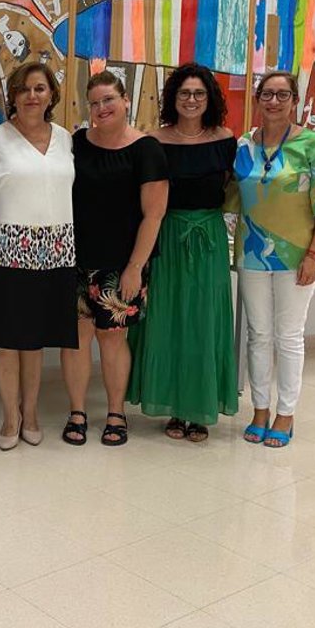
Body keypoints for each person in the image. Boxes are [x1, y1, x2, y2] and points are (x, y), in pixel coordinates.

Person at [0, 62, 76, 450]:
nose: (31, 95)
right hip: (3, 256)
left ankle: (32, 413)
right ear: (12, 96)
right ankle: (10, 417)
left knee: (34, 341)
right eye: (23, 89)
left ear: (51, 95)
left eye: (39, 88)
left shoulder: (65, 140)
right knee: (7, 341)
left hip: (53, 255)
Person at [127, 64, 237, 442]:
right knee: (167, 318)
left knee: (204, 321)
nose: (191, 100)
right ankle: (173, 406)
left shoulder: (226, 139)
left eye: (199, 93)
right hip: (166, 236)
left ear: (210, 98)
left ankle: (199, 408)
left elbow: (231, 189)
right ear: (173, 98)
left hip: (208, 239)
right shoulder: (154, 141)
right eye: (184, 93)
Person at [60, 70, 168, 447]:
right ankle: (77, 412)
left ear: (125, 101)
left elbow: (154, 214)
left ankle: (115, 413)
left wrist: (135, 268)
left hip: (122, 266)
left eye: (108, 99)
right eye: (94, 103)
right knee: (76, 338)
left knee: (112, 337)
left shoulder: (147, 150)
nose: (102, 108)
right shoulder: (76, 144)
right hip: (75, 260)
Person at [235, 72, 315, 448]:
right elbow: (231, 195)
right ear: (258, 99)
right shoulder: (244, 144)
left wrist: (314, 254)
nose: (274, 101)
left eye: (283, 95)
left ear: (295, 101)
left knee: (289, 336)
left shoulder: (311, 144)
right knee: (258, 335)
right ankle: (260, 409)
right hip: (251, 253)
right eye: (267, 94)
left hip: (297, 254)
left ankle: (286, 413)